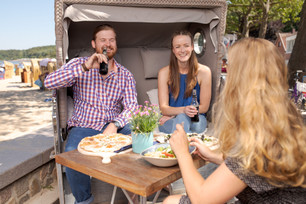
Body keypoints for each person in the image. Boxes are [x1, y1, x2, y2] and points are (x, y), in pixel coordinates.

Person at [163, 38, 306, 204]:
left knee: (171, 202)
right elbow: (259, 167)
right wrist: (216, 158)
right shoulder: (281, 118)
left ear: (241, 76)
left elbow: (201, 199)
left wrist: (182, 152)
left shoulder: (260, 135)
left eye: (229, 65)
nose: (227, 69)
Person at [45, 24, 138, 204]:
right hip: (84, 126)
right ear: (94, 44)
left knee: (140, 139)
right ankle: (84, 201)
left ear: (116, 44)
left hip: (114, 126)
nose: (108, 44)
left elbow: (132, 106)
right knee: (72, 153)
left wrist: (115, 124)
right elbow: (49, 82)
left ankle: (135, 194)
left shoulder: (125, 75)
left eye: (112, 40)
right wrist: (85, 67)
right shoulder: (78, 65)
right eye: (103, 40)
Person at [158, 30, 211, 134]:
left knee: (193, 124)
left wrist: (182, 113)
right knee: (165, 123)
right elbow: (164, 108)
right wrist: (182, 111)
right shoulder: (163, 73)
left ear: (192, 47)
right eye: (177, 47)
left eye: (186, 45)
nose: (182, 50)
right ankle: (186, 142)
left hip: (196, 119)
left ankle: (176, 142)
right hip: (172, 118)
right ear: (173, 50)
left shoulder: (204, 72)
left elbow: (204, 107)